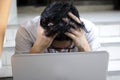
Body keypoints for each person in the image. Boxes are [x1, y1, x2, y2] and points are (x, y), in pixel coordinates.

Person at [15, 1, 100, 53]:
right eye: (53, 47)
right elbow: (21, 73)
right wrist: (37, 49)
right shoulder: (26, 30)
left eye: (68, 47)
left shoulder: (89, 30)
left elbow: (96, 73)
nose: (59, 51)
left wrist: (85, 48)